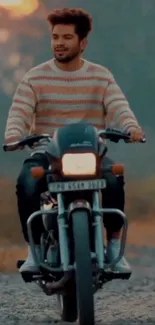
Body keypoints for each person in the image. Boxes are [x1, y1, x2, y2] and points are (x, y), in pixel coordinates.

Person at [4, 8, 145, 275]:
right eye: (55, 36)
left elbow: (118, 105)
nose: (59, 42)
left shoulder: (101, 76)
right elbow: (20, 112)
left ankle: (113, 247)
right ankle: (34, 250)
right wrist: (14, 135)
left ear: (83, 43)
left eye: (67, 37)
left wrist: (131, 127)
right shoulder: (34, 77)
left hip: (91, 152)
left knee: (114, 179)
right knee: (27, 181)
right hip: (48, 153)